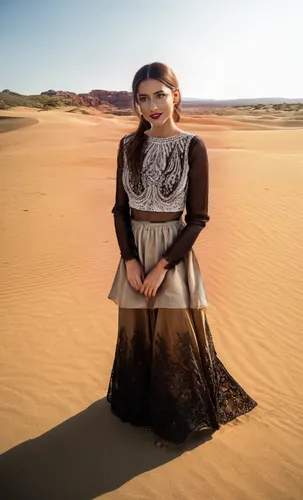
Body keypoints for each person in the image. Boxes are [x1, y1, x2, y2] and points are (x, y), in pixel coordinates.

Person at [107, 62, 258, 447]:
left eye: (160, 94)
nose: (152, 105)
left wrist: (161, 267)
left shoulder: (193, 146)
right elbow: (119, 210)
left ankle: (174, 422)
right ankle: (140, 410)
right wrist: (130, 260)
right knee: (137, 332)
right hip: (134, 251)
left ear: (176, 94)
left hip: (172, 254)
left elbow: (198, 218)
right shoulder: (127, 145)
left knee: (174, 337)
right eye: (143, 98)